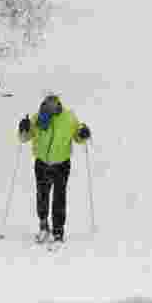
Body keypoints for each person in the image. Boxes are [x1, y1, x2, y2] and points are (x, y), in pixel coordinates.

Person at [16, 94, 91, 243]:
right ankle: (43, 225)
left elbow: (77, 137)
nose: (49, 105)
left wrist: (83, 134)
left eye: (52, 102)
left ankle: (58, 231)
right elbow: (24, 138)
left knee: (59, 197)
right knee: (42, 195)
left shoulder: (69, 117)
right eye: (47, 102)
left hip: (61, 164)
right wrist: (23, 128)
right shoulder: (38, 117)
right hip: (42, 163)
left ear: (58, 103)